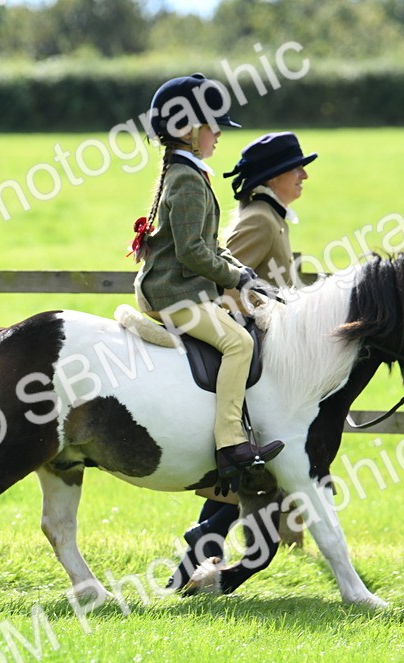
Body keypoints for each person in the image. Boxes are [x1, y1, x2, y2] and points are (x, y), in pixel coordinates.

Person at [169, 131, 317, 587]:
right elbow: (224, 278)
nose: (304, 176)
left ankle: (201, 549)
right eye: (297, 170)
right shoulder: (260, 220)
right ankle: (208, 538)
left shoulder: (274, 217)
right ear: (273, 178)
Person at [131, 74, 284, 481]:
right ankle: (230, 441)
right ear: (186, 129)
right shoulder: (186, 180)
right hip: (173, 295)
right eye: (212, 125)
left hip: (183, 289)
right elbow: (192, 252)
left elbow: (209, 243)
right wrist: (235, 278)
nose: (218, 134)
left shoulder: (189, 173)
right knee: (238, 343)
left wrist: (242, 271)